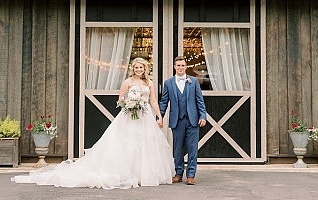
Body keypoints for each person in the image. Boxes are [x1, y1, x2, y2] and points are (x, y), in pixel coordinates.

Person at [12, 57, 174, 189]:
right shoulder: (128, 82)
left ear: (145, 69)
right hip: (129, 115)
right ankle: (127, 173)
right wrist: (131, 104)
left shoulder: (149, 83)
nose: (139, 70)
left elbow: (153, 101)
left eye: (142, 68)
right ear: (133, 68)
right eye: (137, 68)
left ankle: (143, 174)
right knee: (128, 144)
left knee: (144, 145)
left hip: (145, 117)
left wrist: (159, 116)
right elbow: (120, 100)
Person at [159, 55, 207, 185]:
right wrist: (160, 116)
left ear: (186, 67)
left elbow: (199, 100)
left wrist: (203, 116)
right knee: (178, 149)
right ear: (175, 67)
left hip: (193, 120)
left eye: (182, 65)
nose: (180, 67)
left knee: (192, 148)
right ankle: (178, 173)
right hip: (177, 120)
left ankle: (191, 175)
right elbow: (164, 101)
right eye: (178, 65)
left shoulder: (194, 81)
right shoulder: (168, 83)